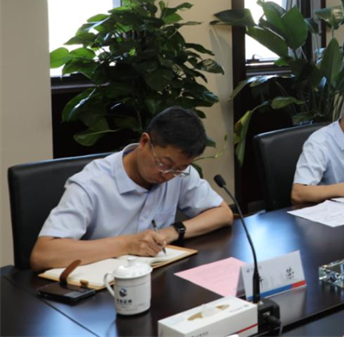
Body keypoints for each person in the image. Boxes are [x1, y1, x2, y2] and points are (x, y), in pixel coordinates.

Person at [30, 107, 233, 272]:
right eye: (164, 163)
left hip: (157, 280)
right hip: (102, 290)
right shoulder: (91, 183)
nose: (168, 175)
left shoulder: (178, 173)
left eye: (179, 169)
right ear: (144, 142)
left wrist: (172, 232)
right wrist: (128, 244)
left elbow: (223, 213)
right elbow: (43, 254)